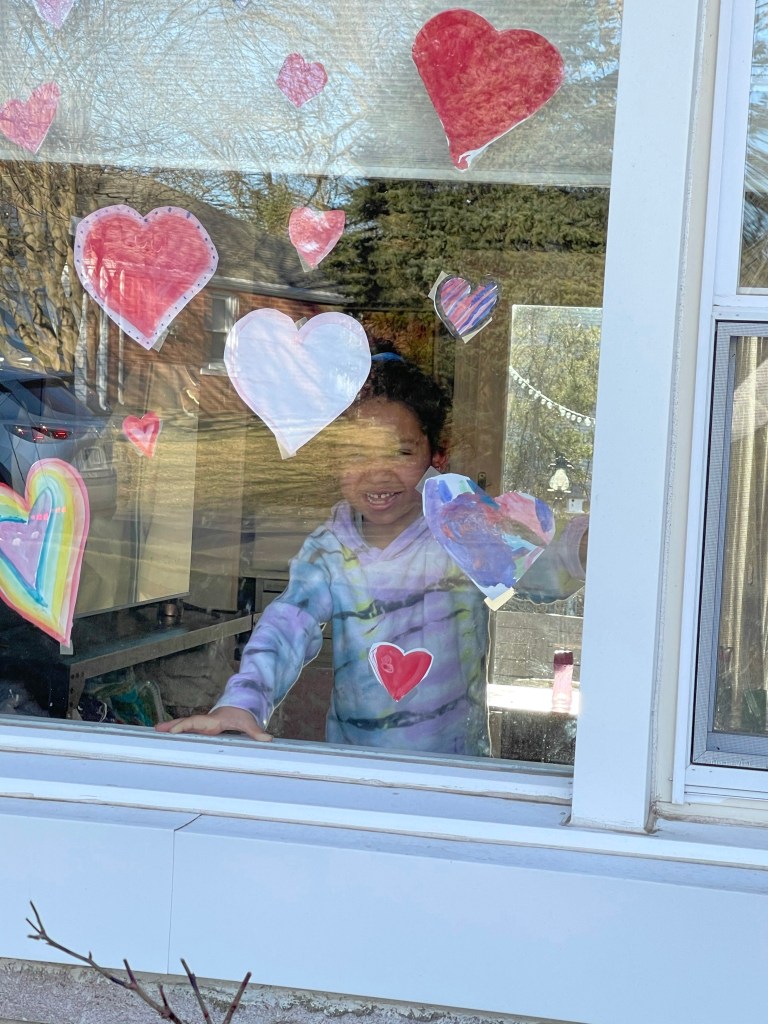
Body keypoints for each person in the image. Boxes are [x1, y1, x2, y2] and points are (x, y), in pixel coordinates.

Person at [156, 352, 587, 756]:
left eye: (401, 452)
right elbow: (287, 626)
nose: (378, 472)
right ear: (334, 460)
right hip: (357, 769)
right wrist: (243, 703)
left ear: (435, 454)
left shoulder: (460, 531)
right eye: (357, 452)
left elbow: (538, 569)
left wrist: (581, 549)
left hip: (454, 770)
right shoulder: (330, 549)